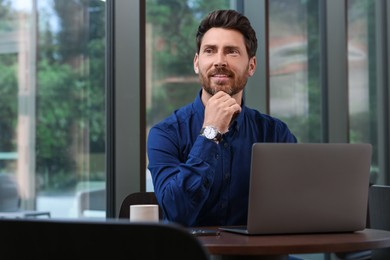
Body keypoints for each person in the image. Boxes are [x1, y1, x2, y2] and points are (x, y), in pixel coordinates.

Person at [147, 9, 297, 227]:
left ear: (251, 66)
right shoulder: (166, 134)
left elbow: (296, 207)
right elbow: (176, 213)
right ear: (197, 62)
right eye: (210, 50)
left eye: (231, 52)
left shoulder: (275, 133)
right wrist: (211, 131)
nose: (220, 61)